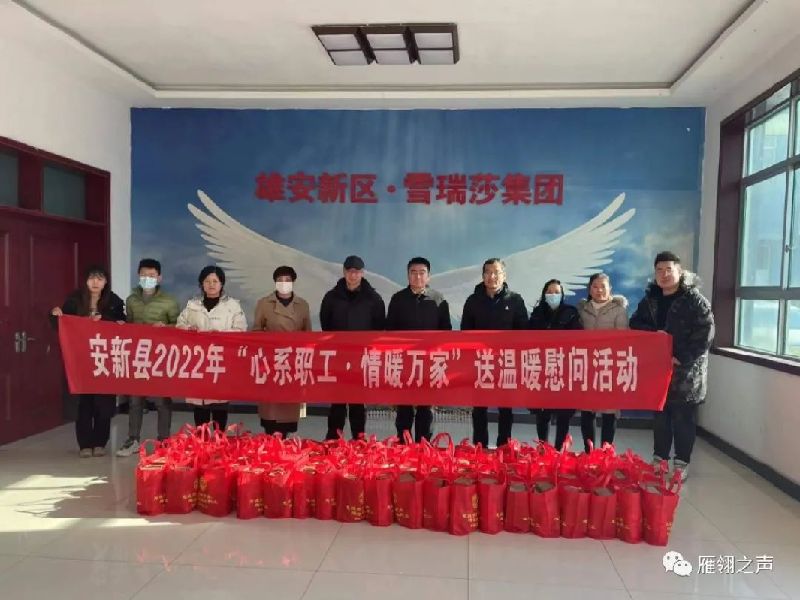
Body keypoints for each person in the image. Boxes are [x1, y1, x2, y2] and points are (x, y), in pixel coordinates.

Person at [630, 251, 714, 482]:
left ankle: (681, 463)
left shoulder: (694, 300)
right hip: (658, 369)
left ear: (679, 271)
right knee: (660, 417)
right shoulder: (650, 300)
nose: (664, 274)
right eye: (659, 270)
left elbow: (706, 334)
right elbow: (635, 323)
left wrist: (682, 357)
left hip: (686, 372)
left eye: (669, 269)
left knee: (683, 418)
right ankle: (659, 459)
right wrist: (653, 334)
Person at [50, 265, 125, 457]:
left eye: (100, 278)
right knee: (82, 403)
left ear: (106, 282)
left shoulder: (114, 301)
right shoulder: (74, 300)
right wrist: (55, 315)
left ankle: (100, 443)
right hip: (81, 359)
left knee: (103, 403)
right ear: (85, 281)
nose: (95, 282)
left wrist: (105, 319)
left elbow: (123, 324)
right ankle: (84, 444)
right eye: (92, 278)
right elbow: (61, 324)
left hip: (104, 360)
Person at [461, 258, 528, 448]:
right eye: (488, 272)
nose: (492, 276)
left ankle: (503, 446)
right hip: (480, 362)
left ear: (504, 276)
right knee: (479, 407)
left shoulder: (515, 300)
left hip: (506, 361)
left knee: (505, 407)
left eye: (496, 272)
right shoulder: (473, 301)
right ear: (483, 276)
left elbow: (523, 331)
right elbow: (466, 331)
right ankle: (480, 446)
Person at [116, 258, 180, 456]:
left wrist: (166, 327)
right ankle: (133, 440)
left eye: (152, 275)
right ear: (138, 276)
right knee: (135, 400)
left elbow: (179, 326)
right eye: (144, 275)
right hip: (138, 356)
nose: (147, 279)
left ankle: (164, 441)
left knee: (162, 401)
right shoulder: (131, 300)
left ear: (159, 278)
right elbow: (129, 324)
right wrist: (122, 326)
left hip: (161, 357)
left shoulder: (169, 301)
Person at [386, 257, 452, 442]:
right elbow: (389, 330)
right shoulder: (398, 299)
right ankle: (403, 445)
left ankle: (423, 446)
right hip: (404, 362)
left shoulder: (438, 299)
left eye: (422, 273)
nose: (417, 277)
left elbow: (446, 331)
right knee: (404, 407)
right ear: (408, 275)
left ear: (428, 276)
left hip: (429, 363)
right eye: (413, 273)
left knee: (426, 408)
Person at [320, 255, 386, 440]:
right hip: (338, 356)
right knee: (337, 400)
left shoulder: (373, 299)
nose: (353, 275)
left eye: (357, 272)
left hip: (362, 357)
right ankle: (333, 439)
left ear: (362, 273)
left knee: (358, 400)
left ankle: (359, 439)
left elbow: (379, 326)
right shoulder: (332, 297)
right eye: (349, 271)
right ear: (344, 272)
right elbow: (326, 323)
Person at [176, 266, 247, 430]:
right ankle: (202, 440)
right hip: (199, 361)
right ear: (202, 284)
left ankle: (219, 440)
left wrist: (221, 335)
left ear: (222, 284)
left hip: (221, 360)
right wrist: (189, 329)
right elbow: (180, 324)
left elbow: (240, 330)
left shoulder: (233, 306)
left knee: (219, 405)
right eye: (207, 281)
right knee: (200, 406)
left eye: (215, 281)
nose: (211, 284)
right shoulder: (192, 305)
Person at [252, 265, 312, 437]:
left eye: (287, 280)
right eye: (280, 280)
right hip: (271, 361)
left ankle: (285, 441)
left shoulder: (302, 305)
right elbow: (256, 331)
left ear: (293, 282)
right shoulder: (264, 303)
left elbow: (308, 334)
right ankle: (271, 438)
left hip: (293, 361)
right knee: (271, 410)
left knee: (288, 407)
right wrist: (269, 343)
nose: (284, 283)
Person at [576, 273, 629, 452]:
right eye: (595, 287)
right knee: (587, 411)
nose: (599, 290)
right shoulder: (582, 309)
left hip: (609, 366)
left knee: (609, 412)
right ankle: (589, 452)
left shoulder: (618, 310)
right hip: (586, 367)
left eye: (603, 287)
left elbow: (624, 339)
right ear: (589, 289)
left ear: (610, 289)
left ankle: (605, 454)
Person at [528, 278, 583, 450]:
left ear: (562, 295)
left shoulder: (571, 313)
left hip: (564, 368)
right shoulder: (537, 313)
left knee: (563, 412)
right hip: (542, 368)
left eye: (557, 292)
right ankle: (543, 447)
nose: (553, 295)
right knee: (542, 412)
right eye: (550, 292)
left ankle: (559, 450)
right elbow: (527, 338)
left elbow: (578, 338)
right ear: (544, 294)